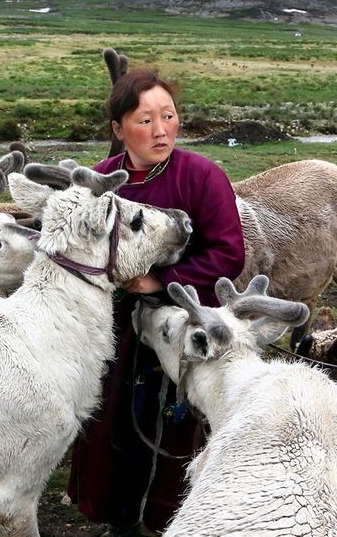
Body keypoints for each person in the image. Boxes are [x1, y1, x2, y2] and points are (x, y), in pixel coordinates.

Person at [68, 67, 245, 535]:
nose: (161, 130)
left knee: (171, 428)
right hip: (112, 330)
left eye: (168, 116)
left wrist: (161, 281)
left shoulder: (202, 177)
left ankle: (171, 521)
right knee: (111, 423)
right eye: (145, 120)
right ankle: (118, 518)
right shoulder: (99, 180)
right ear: (118, 128)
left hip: (180, 329)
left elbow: (229, 253)